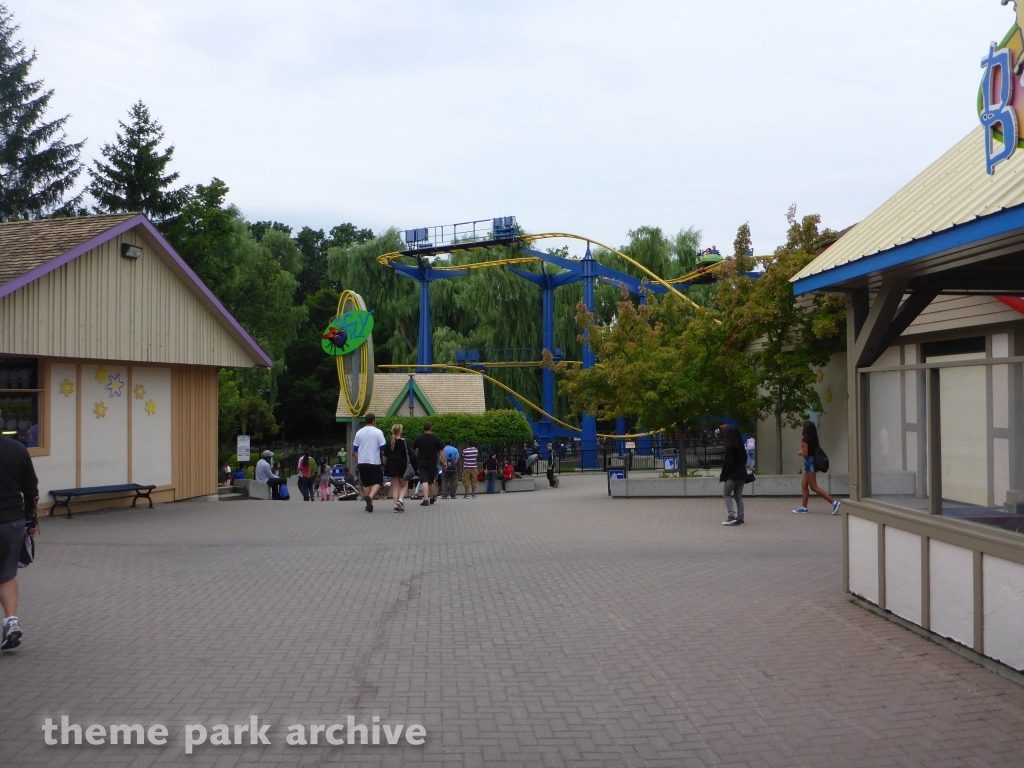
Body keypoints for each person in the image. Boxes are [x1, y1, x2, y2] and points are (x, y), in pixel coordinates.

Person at [0, 417, 39, 651]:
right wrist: (30, 521)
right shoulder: (18, 449)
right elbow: (31, 490)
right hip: (12, 522)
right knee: (6, 575)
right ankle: (11, 621)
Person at [795, 420, 841, 515]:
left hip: (809, 464)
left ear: (806, 428)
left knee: (814, 487)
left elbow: (806, 453)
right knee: (804, 484)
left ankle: (834, 502)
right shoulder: (813, 438)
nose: (801, 428)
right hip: (812, 463)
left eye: (802, 426)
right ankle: (804, 507)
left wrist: (801, 452)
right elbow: (810, 450)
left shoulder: (805, 439)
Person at [353, 413, 387, 513]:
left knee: (366, 483)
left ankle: (368, 504)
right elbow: (383, 448)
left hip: (362, 461)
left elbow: (355, 449)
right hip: (374, 461)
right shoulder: (378, 432)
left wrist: (357, 462)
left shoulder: (359, 432)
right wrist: (384, 462)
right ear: (374, 420)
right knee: (378, 482)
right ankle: (370, 497)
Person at [720, 425, 748, 526]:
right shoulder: (741, 445)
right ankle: (741, 517)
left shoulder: (730, 447)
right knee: (738, 496)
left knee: (726, 494)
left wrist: (725, 474)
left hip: (733, 474)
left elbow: (729, 463)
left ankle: (731, 516)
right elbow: (745, 460)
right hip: (742, 474)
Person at [411, 422, 446, 506]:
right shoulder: (436, 438)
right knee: (431, 481)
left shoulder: (419, 438)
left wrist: (416, 452)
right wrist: (445, 462)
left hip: (422, 461)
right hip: (432, 462)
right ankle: (431, 498)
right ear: (431, 428)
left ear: (423, 429)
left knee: (424, 480)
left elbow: (412, 448)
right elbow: (441, 451)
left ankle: (425, 499)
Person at [383, 423, 411, 512]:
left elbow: (385, 456)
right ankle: (400, 500)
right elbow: (409, 454)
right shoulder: (404, 441)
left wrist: (384, 465)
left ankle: (395, 506)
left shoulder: (388, 442)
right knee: (404, 485)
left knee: (395, 487)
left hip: (392, 466)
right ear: (400, 431)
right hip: (402, 466)